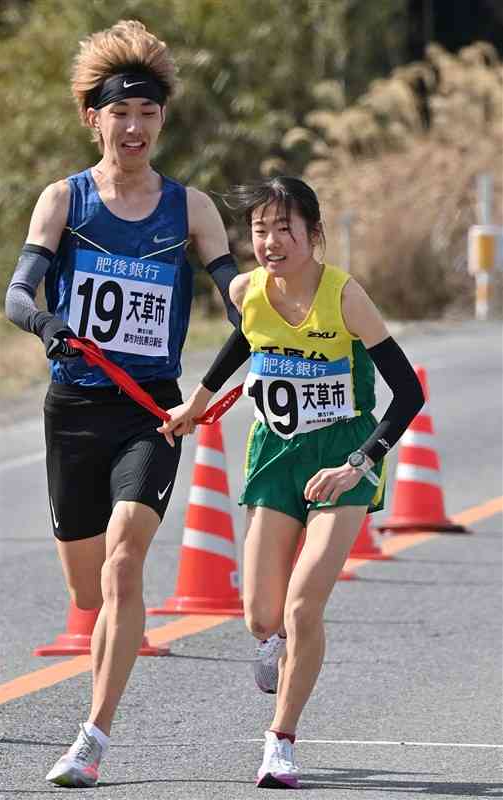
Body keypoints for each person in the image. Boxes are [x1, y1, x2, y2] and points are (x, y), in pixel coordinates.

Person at [5, 20, 240, 788]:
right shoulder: (64, 200)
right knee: (85, 586)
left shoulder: (191, 208)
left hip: (153, 410)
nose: (134, 126)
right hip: (74, 406)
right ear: (92, 118)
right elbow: (16, 293)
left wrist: (261, 319)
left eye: (147, 113)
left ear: (160, 121)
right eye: (120, 113)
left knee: (124, 560)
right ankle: (96, 703)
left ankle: (93, 736)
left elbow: (233, 292)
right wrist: (47, 323)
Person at [158, 176, 425, 789]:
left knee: (305, 605)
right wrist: (196, 404)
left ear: (313, 234)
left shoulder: (345, 296)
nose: (271, 241)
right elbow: (242, 341)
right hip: (274, 455)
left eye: (285, 229)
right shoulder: (248, 289)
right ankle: (273, 639)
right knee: (260, 613)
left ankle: (280, 742)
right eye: (260, 230)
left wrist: (358, 463)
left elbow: (407, 394)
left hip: (342, 457)